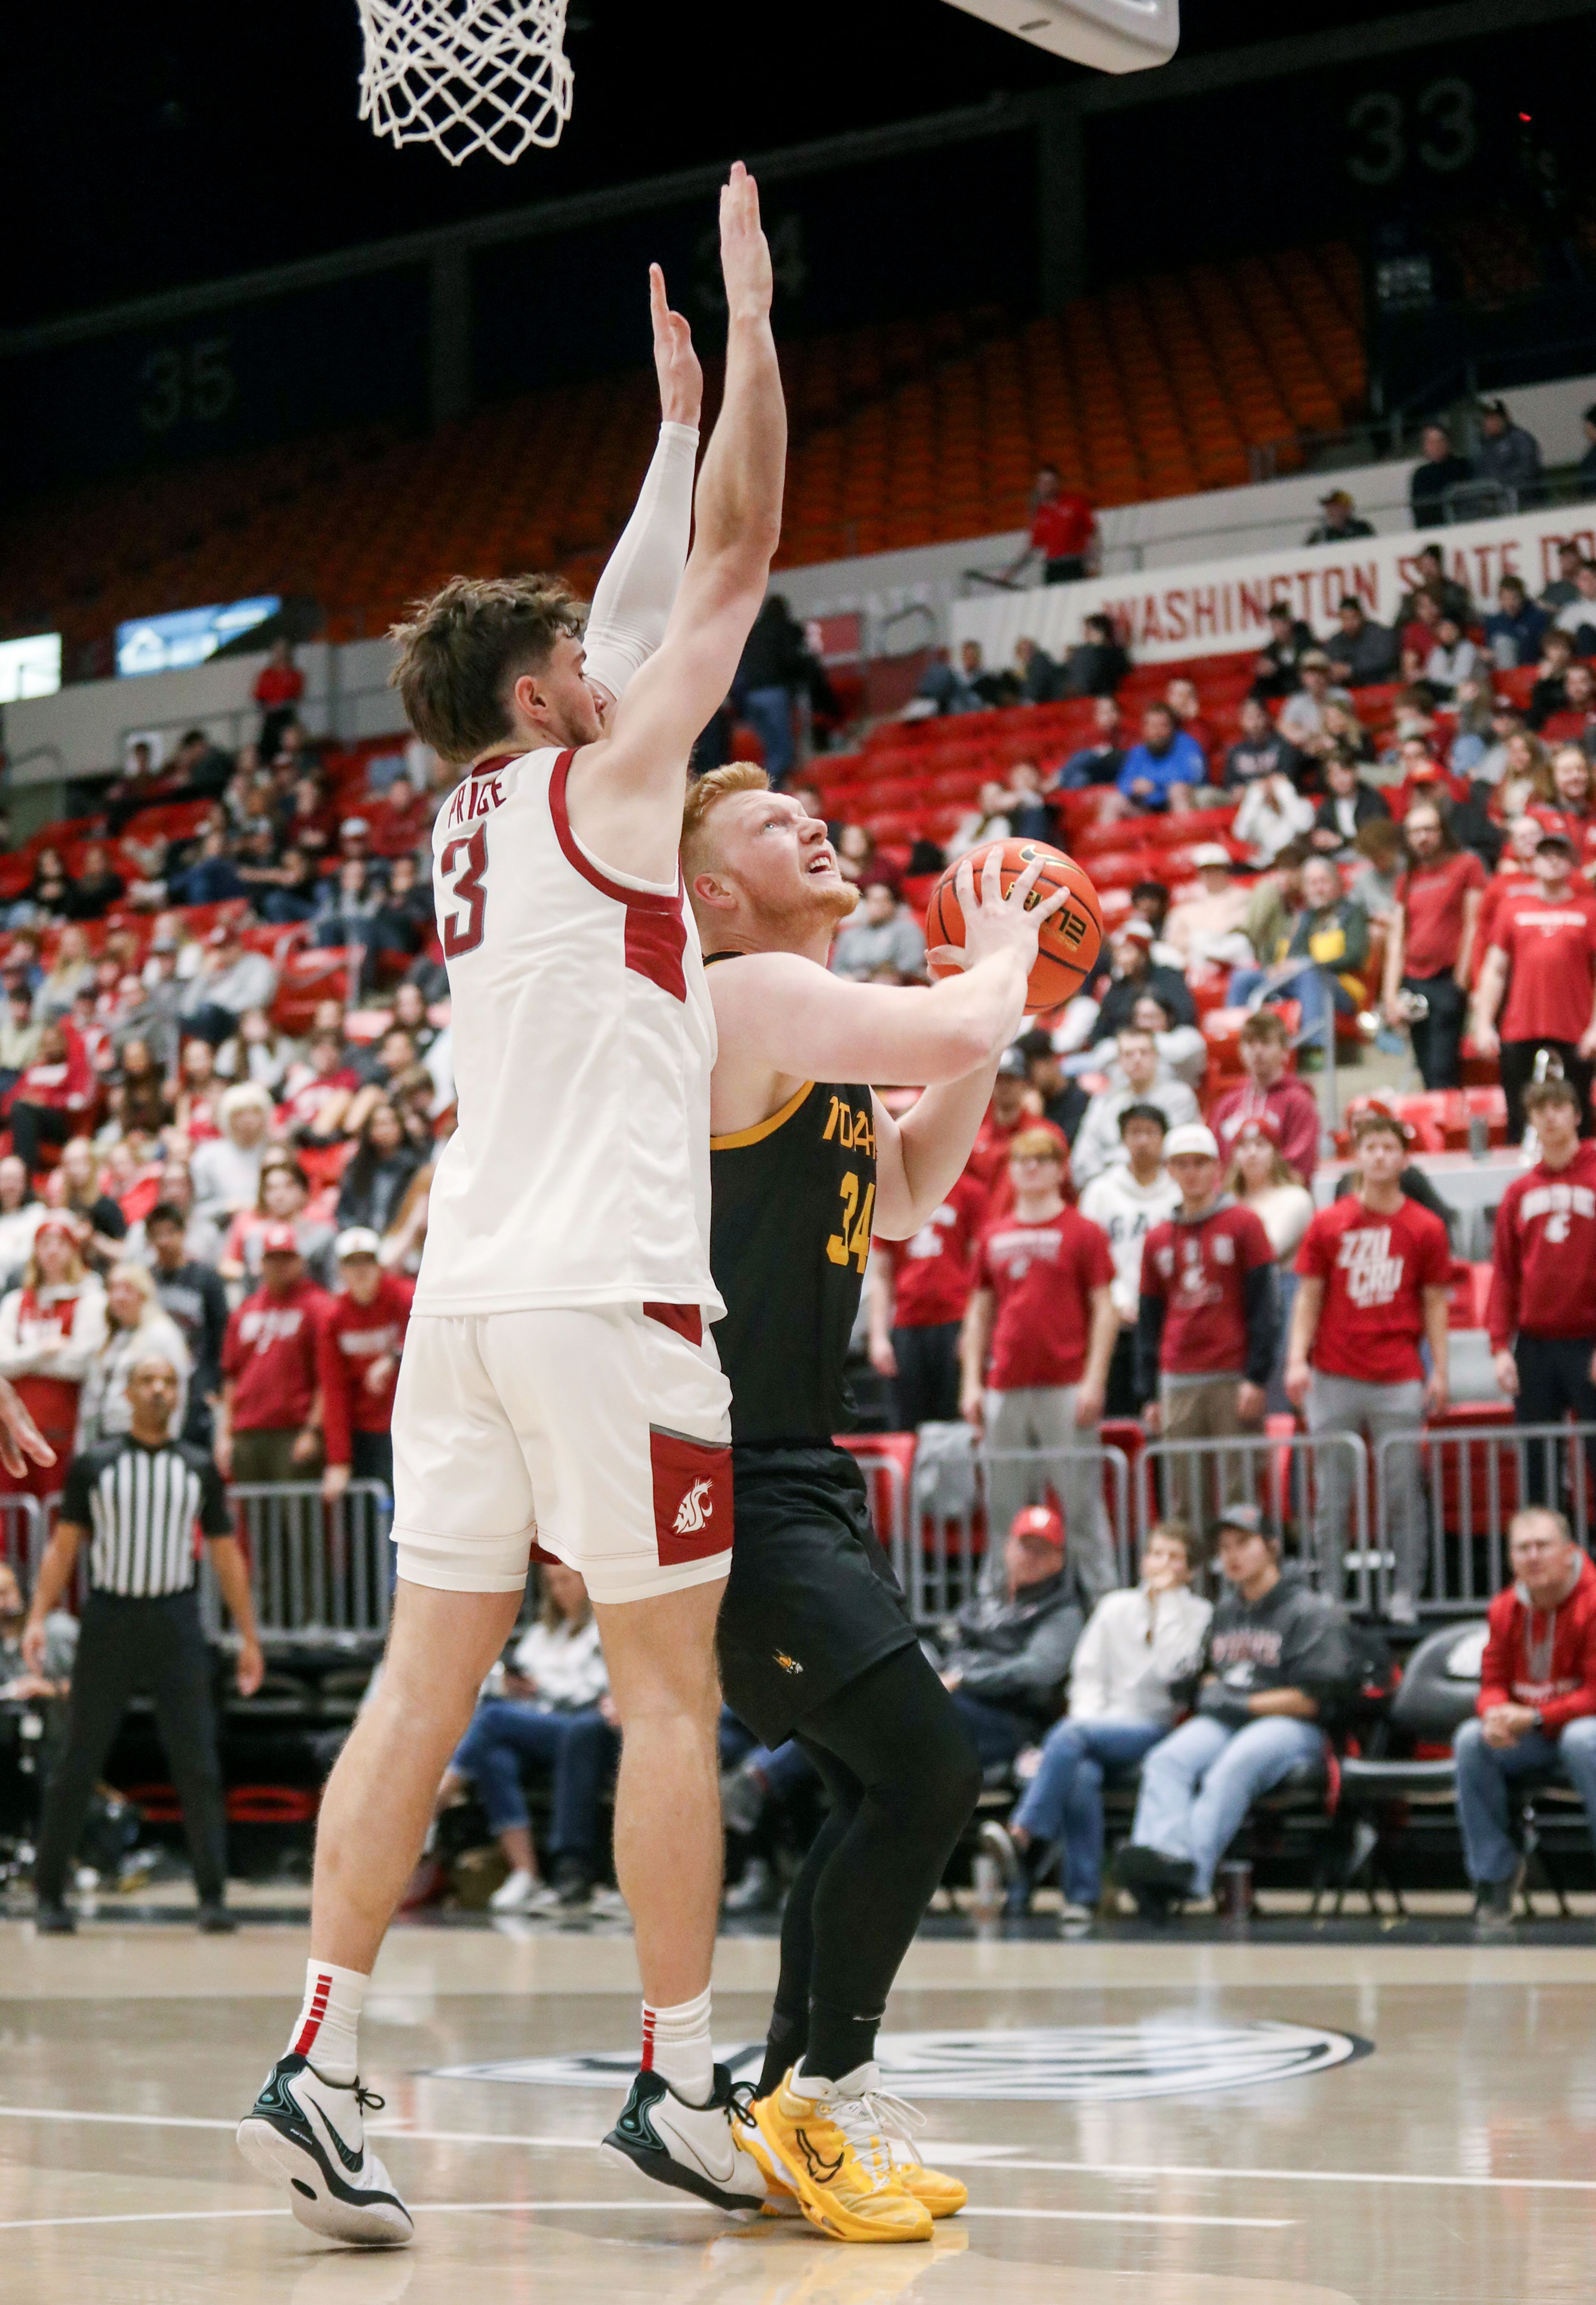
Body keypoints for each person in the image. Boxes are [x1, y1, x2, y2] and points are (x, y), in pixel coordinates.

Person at [237, 185, 786, 2242]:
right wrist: (750, 329)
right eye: (582, 657)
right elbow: (730, 565)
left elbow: (638, 601)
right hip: (606, 1302)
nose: (607, 661)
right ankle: (672, 2073)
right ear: (552, 697)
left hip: (455, 1305)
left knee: (418, 1680)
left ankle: (314, 2050)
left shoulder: (478, 805)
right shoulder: (614, 777)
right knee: (666, 1694)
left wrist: (658, 433)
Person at [681, 777, 1064, 2238]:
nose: (816, 822)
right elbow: (963, 1023)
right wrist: (1014, 951)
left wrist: (995, 1010)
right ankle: (822, 2092)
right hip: (724, 1471)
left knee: (870, 1781)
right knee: (925, 1767)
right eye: (773, 823)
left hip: (791, 1465)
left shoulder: (813, 1028)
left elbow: (903, 1190)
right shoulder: (748, 991)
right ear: (716, 892)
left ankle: (794, 2099)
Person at [25, 1351, 263, 1934]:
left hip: (176, 1619)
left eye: (167, 1382)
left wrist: (250, 1637)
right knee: (80, 1757)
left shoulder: (198, 1467)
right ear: (128, 1394)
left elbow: (226, 1555)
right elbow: (64, 1546)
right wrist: (37, 1615)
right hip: (109, 1619)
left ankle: (212, 1896)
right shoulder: (95, 1466)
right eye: (147, 1382)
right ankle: (49, 1891)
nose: (158, 1390)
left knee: (198, 1762)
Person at [1116, 1505, 1352, 1916]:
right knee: (1167, 1759)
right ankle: (1159, 1863)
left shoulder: (1310, 1610)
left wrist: (1244, 1701)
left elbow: (1313, 1698)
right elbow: (1202, 1678)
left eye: (1243, 1544)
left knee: (1235, 1763)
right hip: (1230, 1720)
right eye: (1224, 1548)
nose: (1232, 1556)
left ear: (1272, 1547)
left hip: (1292, 1727)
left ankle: (1191, 1876)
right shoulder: (1224, 1611)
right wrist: (1211, 1690)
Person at [984, 1521, 1211, 1918]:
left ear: (1190, 1572)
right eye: (1158, 1554)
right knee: (1080, 1772)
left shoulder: (1198, 1614)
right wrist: (1088, 1726)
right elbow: (1087, 1674)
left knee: (1071, 1740)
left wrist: (1170, 1605)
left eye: (1175, 1559)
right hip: (1096, 1727)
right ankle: (1082, 1896)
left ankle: (1022, 1832)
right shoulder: (1115, 1606)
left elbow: (1172, 1671)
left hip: (1155, 1726)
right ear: (1144, 1561)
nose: (1164, 1564)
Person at [1286, 1109, 1451, 1622]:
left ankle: (1406, 1593)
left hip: (1398, 1374)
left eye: (1389, 1147)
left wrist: (1440, 1370)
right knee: (1332, 1498)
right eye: (1371, 1147)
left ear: (1404, 1158)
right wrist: (1297, 1359)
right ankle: (1332, 1597)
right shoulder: (1327, 1223)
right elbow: (1308, 1297)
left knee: (1404, 1493)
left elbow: (1435, 1304)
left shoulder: (1425, 1227)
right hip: (1333, 1374)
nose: (1380, 1156)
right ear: (1358, 1156)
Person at [959, 1129, 1119, 1605]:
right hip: (1004, 1384)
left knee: (1082, 1505)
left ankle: (1103, 1602)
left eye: (1042, 1159)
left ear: (1060, 1168)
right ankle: (996, 1601)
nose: (1031, 1168)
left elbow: (1106, 1309)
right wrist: (971, 1384)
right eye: (1022, 1160)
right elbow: (979, 1312)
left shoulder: (1083, 1232)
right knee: (1002, 1505)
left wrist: (1094, 1380)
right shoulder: (994, 1235)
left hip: (1066, 1382)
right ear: (1011, 1170)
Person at [438, 1562, 618, 1913]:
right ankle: (527, 1873)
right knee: (494, 1752)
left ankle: (439, 1797)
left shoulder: (604, 1630)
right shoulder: (542, 1633)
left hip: (580, 1724)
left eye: (566, 1580)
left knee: (491, 1718)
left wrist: (544, 1689)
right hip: (539, 1722)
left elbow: (598, 1692)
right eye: (552, 1582)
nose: (559, 1589)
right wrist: (518, 1688)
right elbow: (518, 1677)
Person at [1453, 1506, 1596, 1929]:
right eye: (1522, 1548)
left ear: (1570, 1551)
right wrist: (1494, 1714)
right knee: (1471, 1740)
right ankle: (1495, 1879)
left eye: (1543, 1546)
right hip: (1536, 1734)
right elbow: (1493, 1680)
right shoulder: (1504, 1608)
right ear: (1511, 1557)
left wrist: (1535, 1716)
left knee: (1582, 1739)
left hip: (1583, 1729)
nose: (1533, 1556)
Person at [1136, 1124, 1278, 1522]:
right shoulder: (1158, 1237)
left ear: (1217, 1166)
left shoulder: (1245, 1224)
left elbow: (1265, 1306)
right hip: (1178, 1377)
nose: (1192, 1173)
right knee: (1186, 1498)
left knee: (1242, 1492)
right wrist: (1149, 1393)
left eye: (1200, 1163)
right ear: (1169, 1170)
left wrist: (1256, 1375)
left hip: (1232, 1376)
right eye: (1182, 1165)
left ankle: (1242, 1583)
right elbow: (1150, 1318)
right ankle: (1194, 1584)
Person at [1487, 1079, 1596, 1498]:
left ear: (1577, 1115)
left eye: (1559, 1106)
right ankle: (1546, 1554)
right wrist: (1500, 1347)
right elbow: (1504, 1275)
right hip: (1534, 1346)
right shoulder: (1518, 1193)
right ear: (1531, 1120)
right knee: (1538, 1471)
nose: (1550, 1115)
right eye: (1541, 1109)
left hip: (1588, 1341)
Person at [936, 1504, 1083, 1769]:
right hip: (962, 1702)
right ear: (1008, 1548)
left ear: (1059, 1559)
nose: (1031, 1557)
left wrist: (965, 1678)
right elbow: (953, 1646)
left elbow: (1035, 1672)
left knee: (931, 1710)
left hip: (1014, 1722)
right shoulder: (989, 1602)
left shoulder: (1064, 1612)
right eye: (1025, 1546)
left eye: (1042, 1550)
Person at [1471, 832, 1596, 1141]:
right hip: (1520, 1027)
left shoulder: (1590, 910)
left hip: (1575, 1029)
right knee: (1520, 1115)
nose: (1552, 860)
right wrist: (1483, 1023)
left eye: (1560, 854)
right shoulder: (1512, 907)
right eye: (1545, 854)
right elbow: (1495, 970)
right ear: (1533, 861)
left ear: (1572, 864)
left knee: (1578, 1115)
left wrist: (1595, 1027)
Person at [1078, 1104, 1180, 1418]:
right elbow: (1088, 1259)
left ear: (1164, 1139)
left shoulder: (1178, 1191)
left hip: (1167, 1320)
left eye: (1150, 1132)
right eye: (1135, 1132)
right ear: (1123, 1140)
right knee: (1117, 1415)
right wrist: (1116, 1302)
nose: (1143, 1141)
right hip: (1116, 1320)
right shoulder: (1101, 1191)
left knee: (1162, 1413)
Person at [867, 1167, 987, 1431]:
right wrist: (878, 1337)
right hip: (907, 1324)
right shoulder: (893, 1196)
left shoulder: (970, 1192)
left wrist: (972, 1331)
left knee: (955, 1424)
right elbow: (882, 1274)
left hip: (954, 1321)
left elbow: (980, 1274)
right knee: (906, 1426)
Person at [1380, 802, 1487, 1090]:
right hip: (1414, 981)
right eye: (1415, 832)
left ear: (1442, 832)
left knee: (1443, 1068)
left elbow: (1475, 923)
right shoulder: (1407, 879)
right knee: (1427, 1067)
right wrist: (1390, 995)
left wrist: (1462, 980)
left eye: (1429, 829)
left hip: (1448, 979)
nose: (1423, 837)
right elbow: (1397, 939)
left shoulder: (1467, 865)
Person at [216, 1223, 331, 1486]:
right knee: (252, 1520)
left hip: (293, 1431)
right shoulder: (245, 1311)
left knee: (296, 1519)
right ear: (262, 1263)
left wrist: (313, 1431)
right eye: (273, 1258)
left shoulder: (318, 1306)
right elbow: (231, 1376)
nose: (281, 1266)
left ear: (300, 1261)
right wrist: (224, 1434)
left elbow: (327, 1377)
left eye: (287, 1258)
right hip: (247, 1431)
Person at [0, 1218, 107, 1496]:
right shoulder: (15, 1301)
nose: (52, 1251)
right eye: (45, 1244)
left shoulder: (89, 1298)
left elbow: (78, 1364)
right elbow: (2, 1362)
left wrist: (23, 1361)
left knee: (55, 1509)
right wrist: (44, 1349)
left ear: (73, 1249)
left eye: (60, 1243)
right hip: (13, 1429)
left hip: (65, 1429)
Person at [319, 1228, 413, 1500]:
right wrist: (339, 1460)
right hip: (366, 1433)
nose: (361, 1270)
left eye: (368, 1261)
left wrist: (393, 1357)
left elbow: (428, 1340)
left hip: (410, 1426)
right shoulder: (334, 1317)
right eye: (352, 1263)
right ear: (341, 1270)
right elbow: (334, 1389)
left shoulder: (407, 1297)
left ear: (379, 1265)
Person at [76, 1260, 192, 1450]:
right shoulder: (112, 1337)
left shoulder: (162, 1334)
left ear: (144, 1294)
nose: (119, 1297)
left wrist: (169, 1441)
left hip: (141, 1437)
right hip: (103, 1434)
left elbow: (178, 1391)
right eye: (113, 1288)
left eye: (128, 1289)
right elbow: (91, 1396)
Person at [144, 1199, 229, 1447]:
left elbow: (220, 1333)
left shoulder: (207, 1278)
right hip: (154, 1380)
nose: (164, 1241)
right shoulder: (146, 1280)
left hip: (195, 1384)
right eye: (157, 1235)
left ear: (184, 1234)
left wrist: (213, 1383)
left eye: (170, 1232)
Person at [1069, 1026, 1199, 1187]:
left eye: (1144, 1052)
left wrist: (1110, 1160)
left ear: (1157, 1056)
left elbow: (1175, 1154)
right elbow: (1083, 1161)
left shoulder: (1180, 1097)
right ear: (1119, 1061)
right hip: (1111, 1190)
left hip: (1168, 1188)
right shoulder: (1104, 1102)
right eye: (1129, 1054)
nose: (1137, 1059)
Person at [1208, 1009, 1320, 1183]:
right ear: (1240, 1051)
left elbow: (1300, 1170)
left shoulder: (1299, 1102)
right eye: (1250, 1043)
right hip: (1231, 1201)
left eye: (1266, 1043)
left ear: (1285, 1052)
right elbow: (1214, 1166)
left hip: (1282, 1199)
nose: (1257, 1050)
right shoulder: (1227, 1105)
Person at [736, 594, 808, 786]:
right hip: (774, 693)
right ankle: (769, 791)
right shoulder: (784, 629)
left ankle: (771, 789)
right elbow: (792, 661)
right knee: (782, 752)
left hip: (751, 697)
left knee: (769, 750)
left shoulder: (753, 632)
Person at [1088, 920, 1196, 1039]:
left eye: (1127, 951)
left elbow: (1185, 1016)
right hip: (1128, 1047)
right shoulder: (1118, 987)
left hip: (1165, 1042)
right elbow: (1099, 1032)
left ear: (1144, 953)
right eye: (1118, 953)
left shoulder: (1168, 976)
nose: (1122, 959)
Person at [190, 1082, 274, 1229]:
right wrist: (225, 1208)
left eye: (255, 1112)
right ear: (227, 1118)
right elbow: (196, 1209)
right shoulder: (207, 1157)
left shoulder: (276, 1153)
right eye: (240, 1113)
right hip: (222, 1229)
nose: (248, 1120)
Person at [1005, 463, 1096, 586]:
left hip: (1074, 565)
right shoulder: (1040, 514)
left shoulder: (1075, 504)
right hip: (1052, 568)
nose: (1045, 486)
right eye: (1042, 482)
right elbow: (1033, 548)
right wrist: (1011, 572)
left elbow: (1093, 534)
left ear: (1057, 483)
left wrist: (1094, 564)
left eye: (1049, 482)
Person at [828, 880, 927, 982]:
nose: (878, 906)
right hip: (853, 988)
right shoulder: (850, 935)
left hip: (892, 987)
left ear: (892, 904)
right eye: (872, 901)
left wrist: (885, 974)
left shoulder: (908, 930)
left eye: (882, 900)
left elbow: (912, 965)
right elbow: (836, 969)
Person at [1113, 703, 1204, 814]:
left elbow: (1194, 777)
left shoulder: (1188, 745)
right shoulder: (1137, 752)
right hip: (1147, 806)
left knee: (1178, 790)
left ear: (1172, 728)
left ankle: (1186, 832)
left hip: (1180, 800)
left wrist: (1154, 784)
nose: (1157, 732)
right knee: (1113, 802)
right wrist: (1133, 787)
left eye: (1163, 726)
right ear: (1145, 729)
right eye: (1153, 726)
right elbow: (1123, 782)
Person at [1474, 397, 1542, 504]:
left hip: (1525, 501)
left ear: (1505, 418)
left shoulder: (1520, 439)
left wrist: (1499, 485)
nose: (1489, 423)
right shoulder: (1483, 446)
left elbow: (1527, 469)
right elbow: (1479, 475)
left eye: (1494, 418)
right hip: (1496, 503)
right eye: (1486, 419)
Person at [1277, 654, 1352, 750]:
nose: (1316, 677)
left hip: (1338, 747)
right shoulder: (1296, 702)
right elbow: (1284, 728)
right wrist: (1311, 738)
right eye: (1311, 673)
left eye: (1321, 672)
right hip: (1309, 751)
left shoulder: (1341, 696)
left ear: (1328, 674)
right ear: (1303, 677)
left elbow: (1348, 728)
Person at [1224, 695, 1299, 789]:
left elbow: (1287, 778)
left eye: (1259, 716)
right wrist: (1238, 790)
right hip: (1248, 797)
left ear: (1267, 717)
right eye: (1250, 717)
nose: (1255, 722)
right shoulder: (1235, 752)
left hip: (1275, 794)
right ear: (1242, 721)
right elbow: (1231, 785)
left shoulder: (1282, 746)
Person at [1053, 695, 1126, 789]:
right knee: (1080, 778)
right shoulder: (1087, 736)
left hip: (1117, 774)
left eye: (1112, 711)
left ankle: (1055, 781)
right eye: (1103, 713)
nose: (1108, 716)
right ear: (1095, 716)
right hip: (1095, 777)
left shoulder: (1127, 735)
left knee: (1089, 755)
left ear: (1119, 714)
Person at [1409, 422, 1473, 528]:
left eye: (1439, 441)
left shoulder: (1463, 466)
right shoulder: (1421, 475)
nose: (1436, 446)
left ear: (1448, 442)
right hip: (1434, 530)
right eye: (1431, 442)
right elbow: (1419, 509)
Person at [1325, 597, 1399, 688]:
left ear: (1362, 616)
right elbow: (1330, 663)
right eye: (1345, 619)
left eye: (1353, 618)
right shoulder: (1336, 641)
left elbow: (1386, 661)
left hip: (1378, 686)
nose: (1349, 623)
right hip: (1347, 691)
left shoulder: (1379, 634)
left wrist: (1352, 670)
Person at [254, 638, 305, 758]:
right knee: (266, 749)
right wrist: (268, 707)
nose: (280, 654)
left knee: (288, 744)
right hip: (270, 718)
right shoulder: (266, 674)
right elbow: (259, 696)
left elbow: (296, 695)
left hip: (286, 716)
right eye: (277, 651)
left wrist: (280, 706)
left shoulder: (295, 674)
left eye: (283, 650)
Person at [1485, 575, 1549, 670]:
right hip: (1501, 671)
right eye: (1505, 599)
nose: (1510, 604)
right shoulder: (1493, 622)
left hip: (1529, 669)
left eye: (1515, 598)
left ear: (1523, 598)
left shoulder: (1537, 618)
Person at [1059, 612, 1127, 696]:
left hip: (1098, 697)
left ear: (1101, 632)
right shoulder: (1081, 652)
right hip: (1079, 695)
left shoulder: (1111, 654)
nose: (1085, 634)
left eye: (1089, 630)